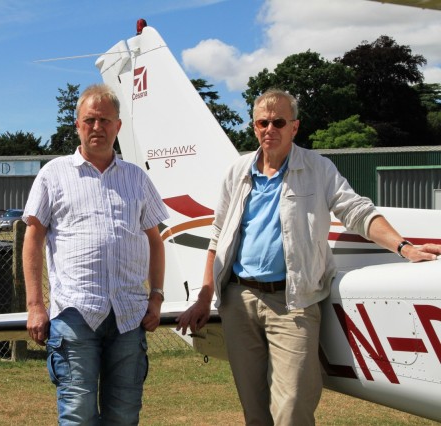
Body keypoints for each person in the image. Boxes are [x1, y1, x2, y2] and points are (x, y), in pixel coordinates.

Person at [176, 89, 441, 426]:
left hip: (293, 302)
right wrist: (204, 297)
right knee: (255, 412)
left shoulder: (318, 168)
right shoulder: (238, 171)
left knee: (293, 408)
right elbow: (218, 237)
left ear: (295, 126)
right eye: (262, 122)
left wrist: (404, 248)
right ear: (254, 127)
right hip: (239, 300)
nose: (269, 129)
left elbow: (357, 212)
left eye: (278, 122)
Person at [22, 83, 169, 425]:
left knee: (124, 414)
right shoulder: (53, 174)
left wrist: (157, 296)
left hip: (129, 314)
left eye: (105, 120)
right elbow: (33, 238)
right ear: (77, 125)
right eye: (89, 120)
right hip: (75, 313)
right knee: (78, 414)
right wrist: (35, 306)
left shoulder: (136, 178)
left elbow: (156, 240)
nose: (97, 127)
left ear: (118, 126)